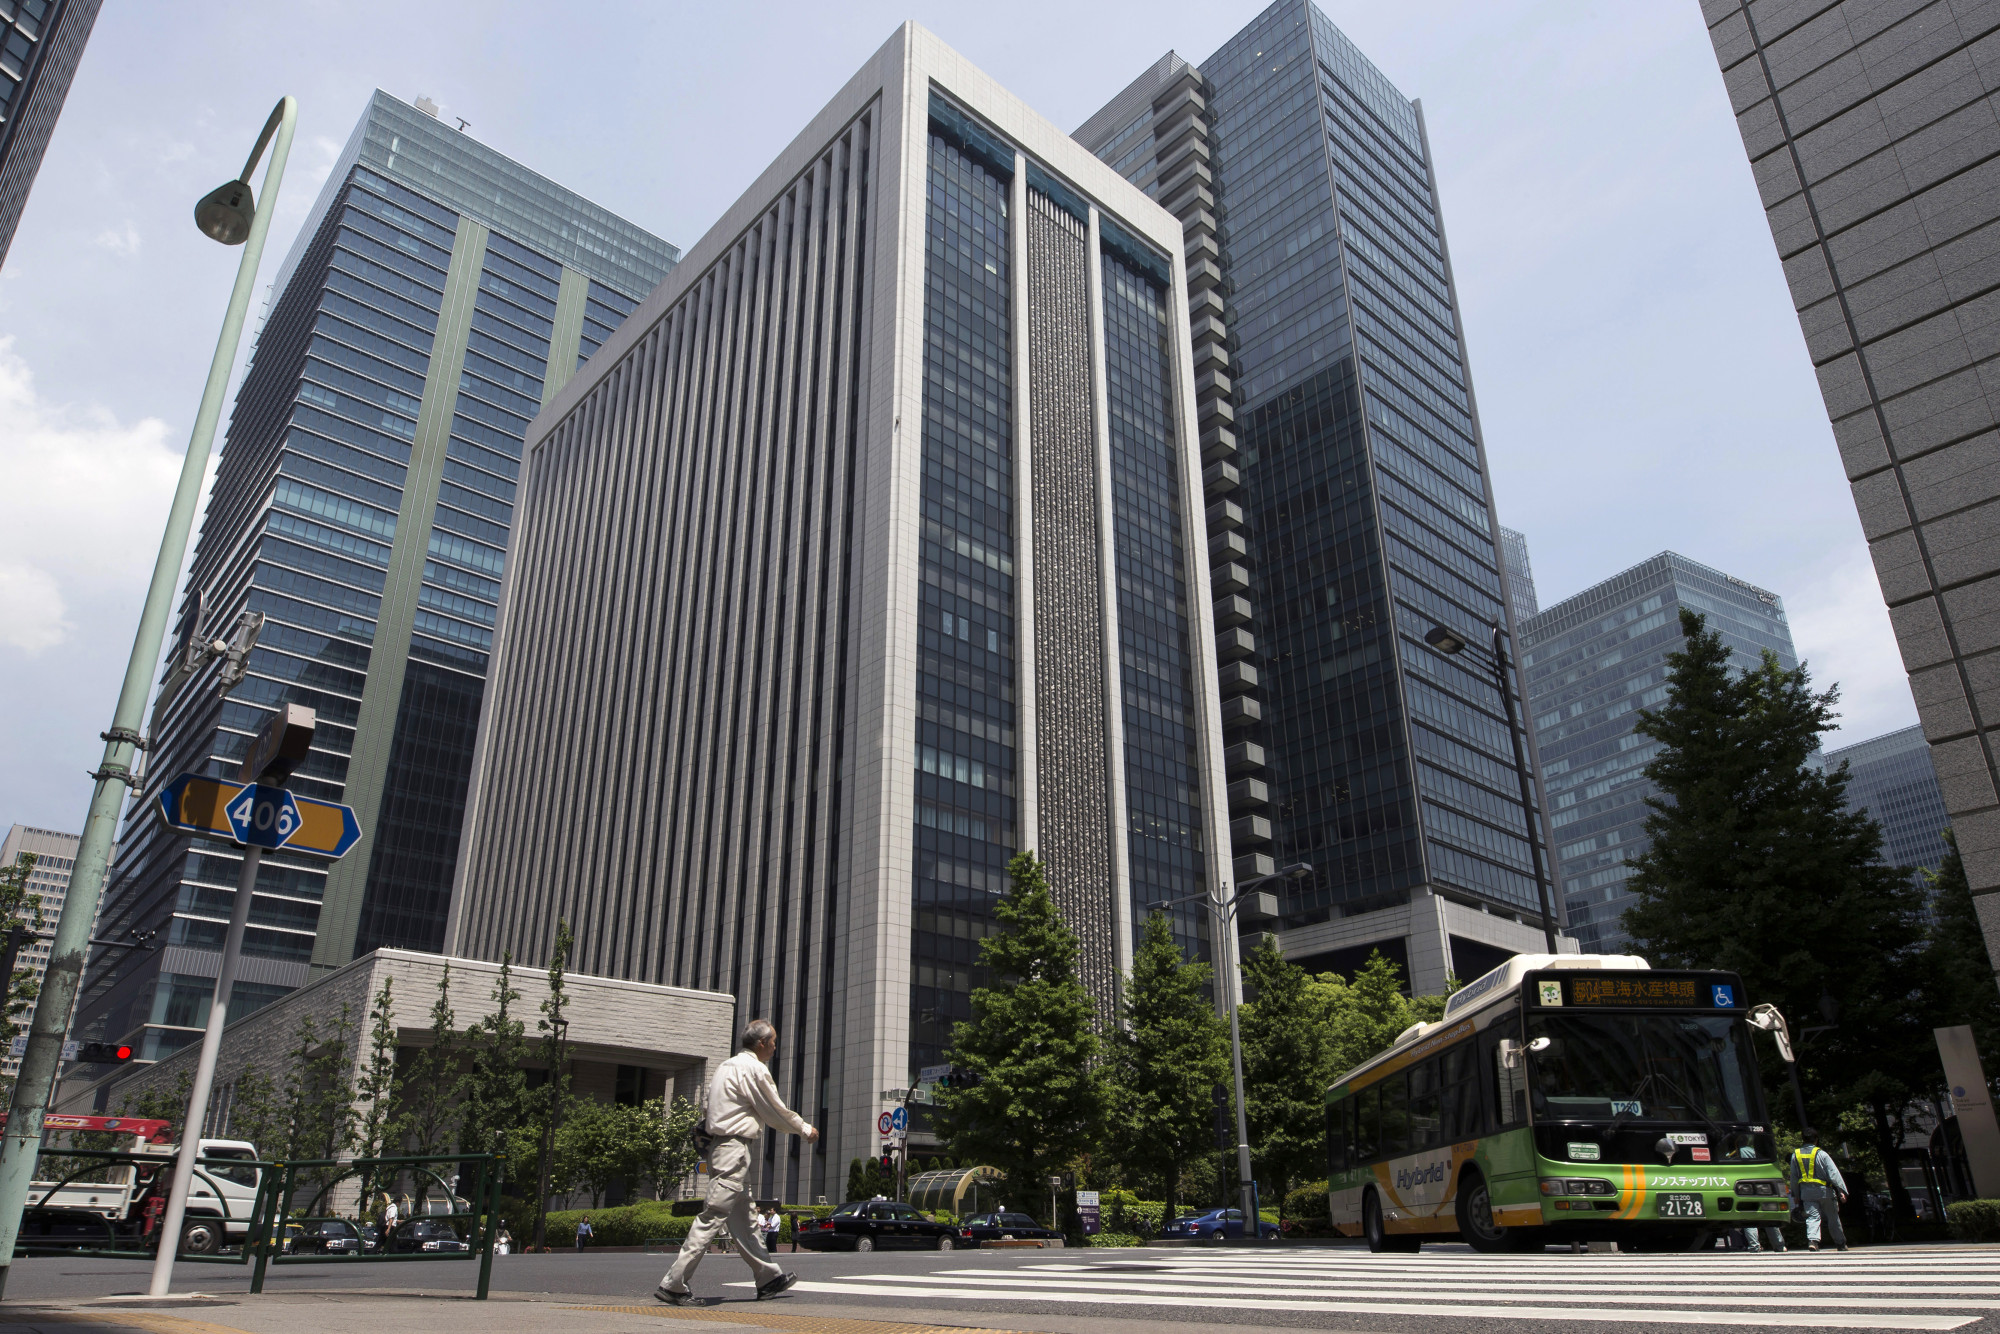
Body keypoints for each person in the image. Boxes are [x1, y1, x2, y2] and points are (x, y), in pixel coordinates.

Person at [656, 1019, 819, 1305]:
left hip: (720, 1147)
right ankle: (674, 1284)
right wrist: (804, 1128)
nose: (774, 1047)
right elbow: (773, 1109)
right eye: (773, 1042)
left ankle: (768, 1277)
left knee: (744, 1217)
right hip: (734, 1147)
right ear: (761, 1043)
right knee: (713, 1215)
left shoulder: (724, 1067)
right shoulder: (754, 1069)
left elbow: (708, 1109)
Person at [1787, 1127, 1849, 1252]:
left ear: (1803, 1139)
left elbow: (1793, 1177)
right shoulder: (1822, 1154)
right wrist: (1841, 1190)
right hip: (1825, 1190)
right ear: (1816, 1140)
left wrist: (1796, 1194)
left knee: (1812, 1217)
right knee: (1833, 1217)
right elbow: (1833, 1173)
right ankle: (1840, 1243)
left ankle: (1813, 1241)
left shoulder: (1796, 1155)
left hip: (1806, 1192)